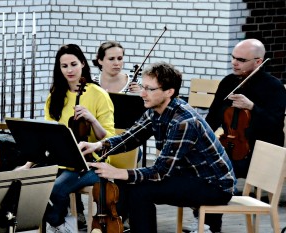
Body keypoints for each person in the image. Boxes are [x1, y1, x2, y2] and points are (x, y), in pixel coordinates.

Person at [80, 62, 235, 233]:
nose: (143, 94)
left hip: (214, 185)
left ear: (169, 92)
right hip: (187, 175)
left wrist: (118, 172)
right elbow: (129, 138)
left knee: (140, 191)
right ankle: (112, 228)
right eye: (143, 87)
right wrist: (99, 145)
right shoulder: (155, 110)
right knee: (128, 184)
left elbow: (160, 172)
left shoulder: (184, 121)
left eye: (150, 89)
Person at [15, 44, 116, 233]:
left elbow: (109, 138)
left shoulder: (99, 95)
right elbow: (46, 137)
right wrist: (28, 165)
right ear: (58, 68)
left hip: (89, 163)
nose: (69, 70)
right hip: (59, 160)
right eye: (64, 66)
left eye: (73, 64)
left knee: (54, 189)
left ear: (83, 64)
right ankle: (58, 222)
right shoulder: (55, 95)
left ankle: (60, 224)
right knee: (23, 182)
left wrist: (92, 119)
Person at [202, 38, 286, 232]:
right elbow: (213, 117)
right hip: (231, 147)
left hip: (258, 154)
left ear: (258, 61)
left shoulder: (273, 87)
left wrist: (252, 107)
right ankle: (202, 214)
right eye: (233, 58)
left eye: (240, 59)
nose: (234, 63)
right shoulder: (229, 82)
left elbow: (274, 123)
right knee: (200, 164)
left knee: (218, 171)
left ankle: (211, 224)